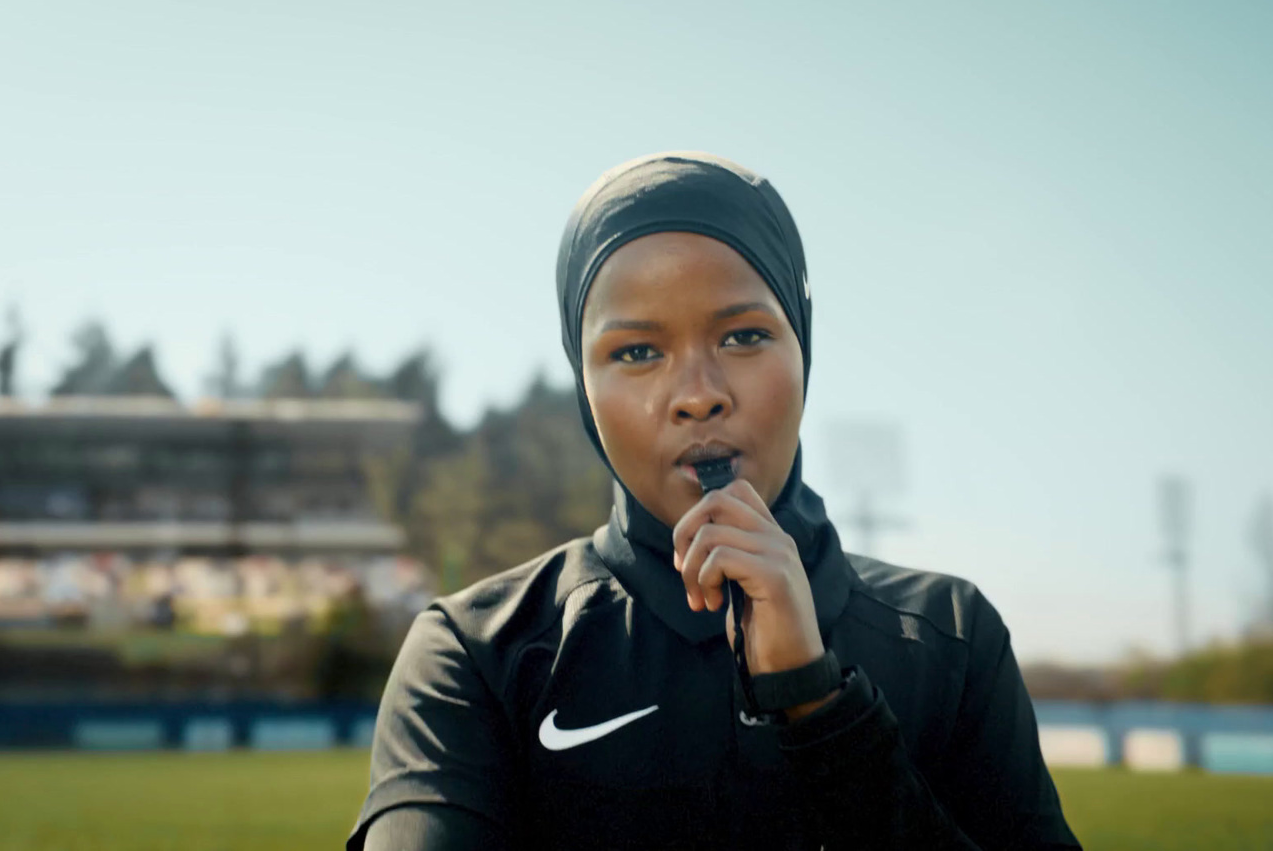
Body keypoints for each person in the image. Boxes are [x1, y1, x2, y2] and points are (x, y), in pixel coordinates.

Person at [349, 152, 1081, 850]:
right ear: (584, 387)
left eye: (743, 335)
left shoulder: (950, 640)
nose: (698, 395)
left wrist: (821, 703)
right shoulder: (478, 653)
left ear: (804, 345)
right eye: (637, 352)